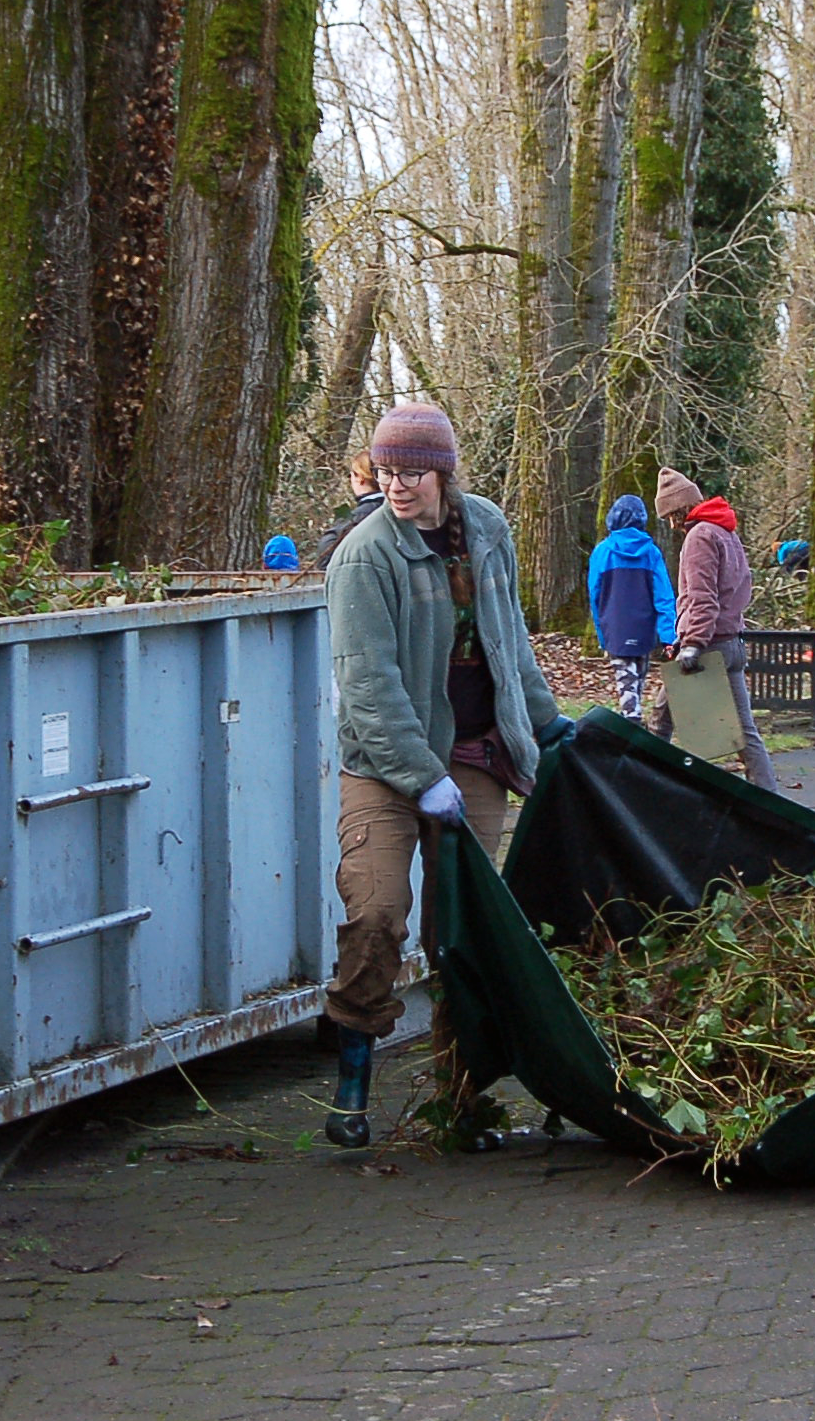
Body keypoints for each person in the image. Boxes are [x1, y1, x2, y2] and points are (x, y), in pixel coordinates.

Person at [321, 402, 574, 1147]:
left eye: (412, 471)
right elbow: (367, 685)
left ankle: (461, 1101)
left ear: (443, 471)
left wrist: (545, 720)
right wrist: (420, 773)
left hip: (475, 756)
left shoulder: (487, 531)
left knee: (461, 933)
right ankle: (351, 1086)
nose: (397, 486)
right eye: (386, 471)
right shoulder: (365, 557)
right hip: (384, 766)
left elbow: (507, 639)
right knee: (375, 915)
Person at [651, 467, 778, 793]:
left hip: (707, 646)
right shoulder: (726, 532)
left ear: (677, 510)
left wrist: (692, 643)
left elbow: (701, 596)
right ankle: (769, 799)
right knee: (744, 733)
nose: (670, 524)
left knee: (661, 721)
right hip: (731, 641)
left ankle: (645, 784)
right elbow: (740, 588)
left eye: (668, 516)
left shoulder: (700, 537)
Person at [588, 495, 677, 723]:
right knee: (636, 682)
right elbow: (663, 596)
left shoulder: (602, 552)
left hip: (615, 628)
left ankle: (632, 724)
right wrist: (669, 637)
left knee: (625, 684)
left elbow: (595, 597)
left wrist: (602, 635)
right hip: (644, 629)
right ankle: (633, 722)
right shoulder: (651, 553)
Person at [313, 450, 383, 568]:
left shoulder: (354, 520)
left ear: (360, 477)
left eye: (350, 475)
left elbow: (324, 561)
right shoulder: (409, 513)